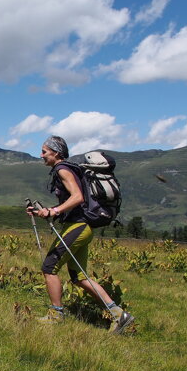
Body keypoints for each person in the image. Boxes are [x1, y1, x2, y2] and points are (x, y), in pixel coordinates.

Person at [27, 136, 134, 334]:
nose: (41, 155)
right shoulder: (69, 168)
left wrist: (54, 211)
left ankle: (56, 315)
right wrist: (44, 211)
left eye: (44, 151)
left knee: (49, 268)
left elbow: (78, 197)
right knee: (78, 277)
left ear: (56, 152)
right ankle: (119, 315)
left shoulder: (62, 169)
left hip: (78, 227)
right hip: (82, 227)